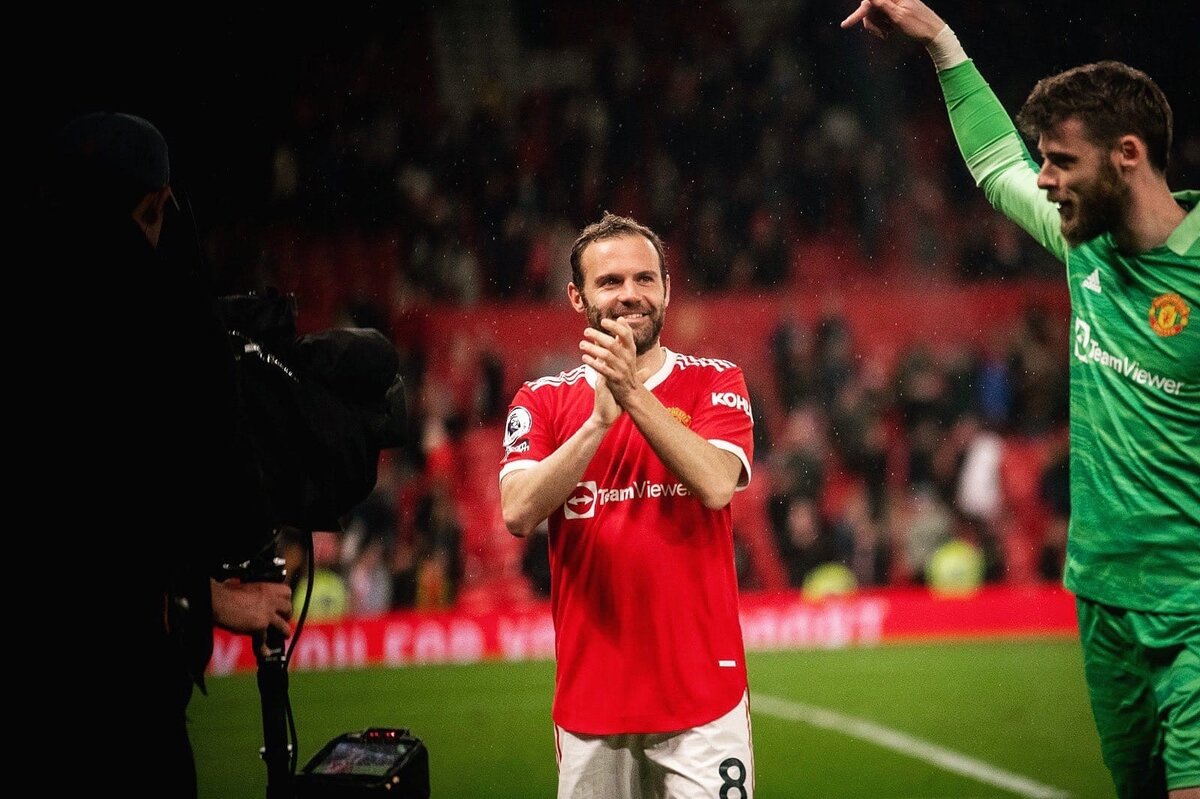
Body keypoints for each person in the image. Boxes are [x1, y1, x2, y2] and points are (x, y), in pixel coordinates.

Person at [841, 3, 1199, 797]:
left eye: (1062, 161)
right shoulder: (1086, 245)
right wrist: (941, 42)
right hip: (1101, 596)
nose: (1044, 179)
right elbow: (996, 166)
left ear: (1129, 155)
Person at [37, 111, 294, 797]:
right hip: (112, 703)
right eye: (157, 217)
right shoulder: (117, 344)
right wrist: (208, 598)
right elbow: (91, 536)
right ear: (154, 203)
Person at [499, 212, 756, 799]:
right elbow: (517, 512)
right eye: (610, 282)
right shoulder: (542, 400)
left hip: (703, 702)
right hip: (592, 704)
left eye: (645, 279)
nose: (630, 294)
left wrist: (632, 395)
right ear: (577, 297)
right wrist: (595, 424)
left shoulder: (717, 381)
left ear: (666, 289)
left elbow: (717, 484)